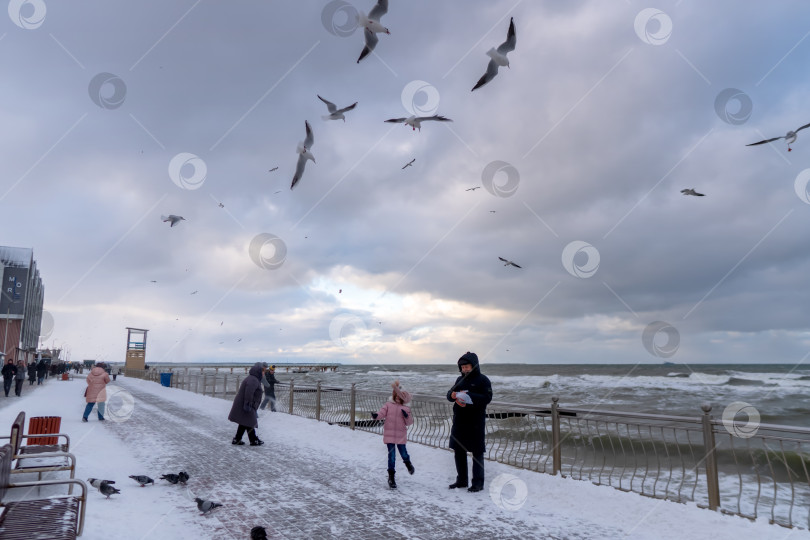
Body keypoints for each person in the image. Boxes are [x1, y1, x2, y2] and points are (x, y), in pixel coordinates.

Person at [446, 351, 492, 493]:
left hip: (475, 422)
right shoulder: (459, 380)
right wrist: (452, 395)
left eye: (467, 367)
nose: (464, 369)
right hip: (459, 421)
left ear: (474, 366)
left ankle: (478, 483)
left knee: (477, 452)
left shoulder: (483, 380)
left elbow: (487, 397)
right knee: (459, 451)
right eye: (462, 367)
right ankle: (462, 480)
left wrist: (469, 396)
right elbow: (449, 395)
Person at [371, 381, 415, 489]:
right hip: (389, 434)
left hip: (400, 435)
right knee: (392, 457)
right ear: (394, 395)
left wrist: (406, 416)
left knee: (403, 453)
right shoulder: (388, 405)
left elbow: (409, 422)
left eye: (401, 397)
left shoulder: (406, 409)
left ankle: (408, 463)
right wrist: (376, 415)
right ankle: (391, 478)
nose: (399, 398)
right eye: (397, 396)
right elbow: (382, 413)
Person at [227, 362, 265, 446]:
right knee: (249, 421)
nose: (264, 373)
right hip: (247, 404)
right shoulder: (253, 380)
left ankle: (238, 439)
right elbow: (249, 392)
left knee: (245, 422)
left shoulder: (253, 379)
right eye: (262, 371)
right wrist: (248, 404)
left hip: (246, 403)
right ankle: (253, 440)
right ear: (258, 371)